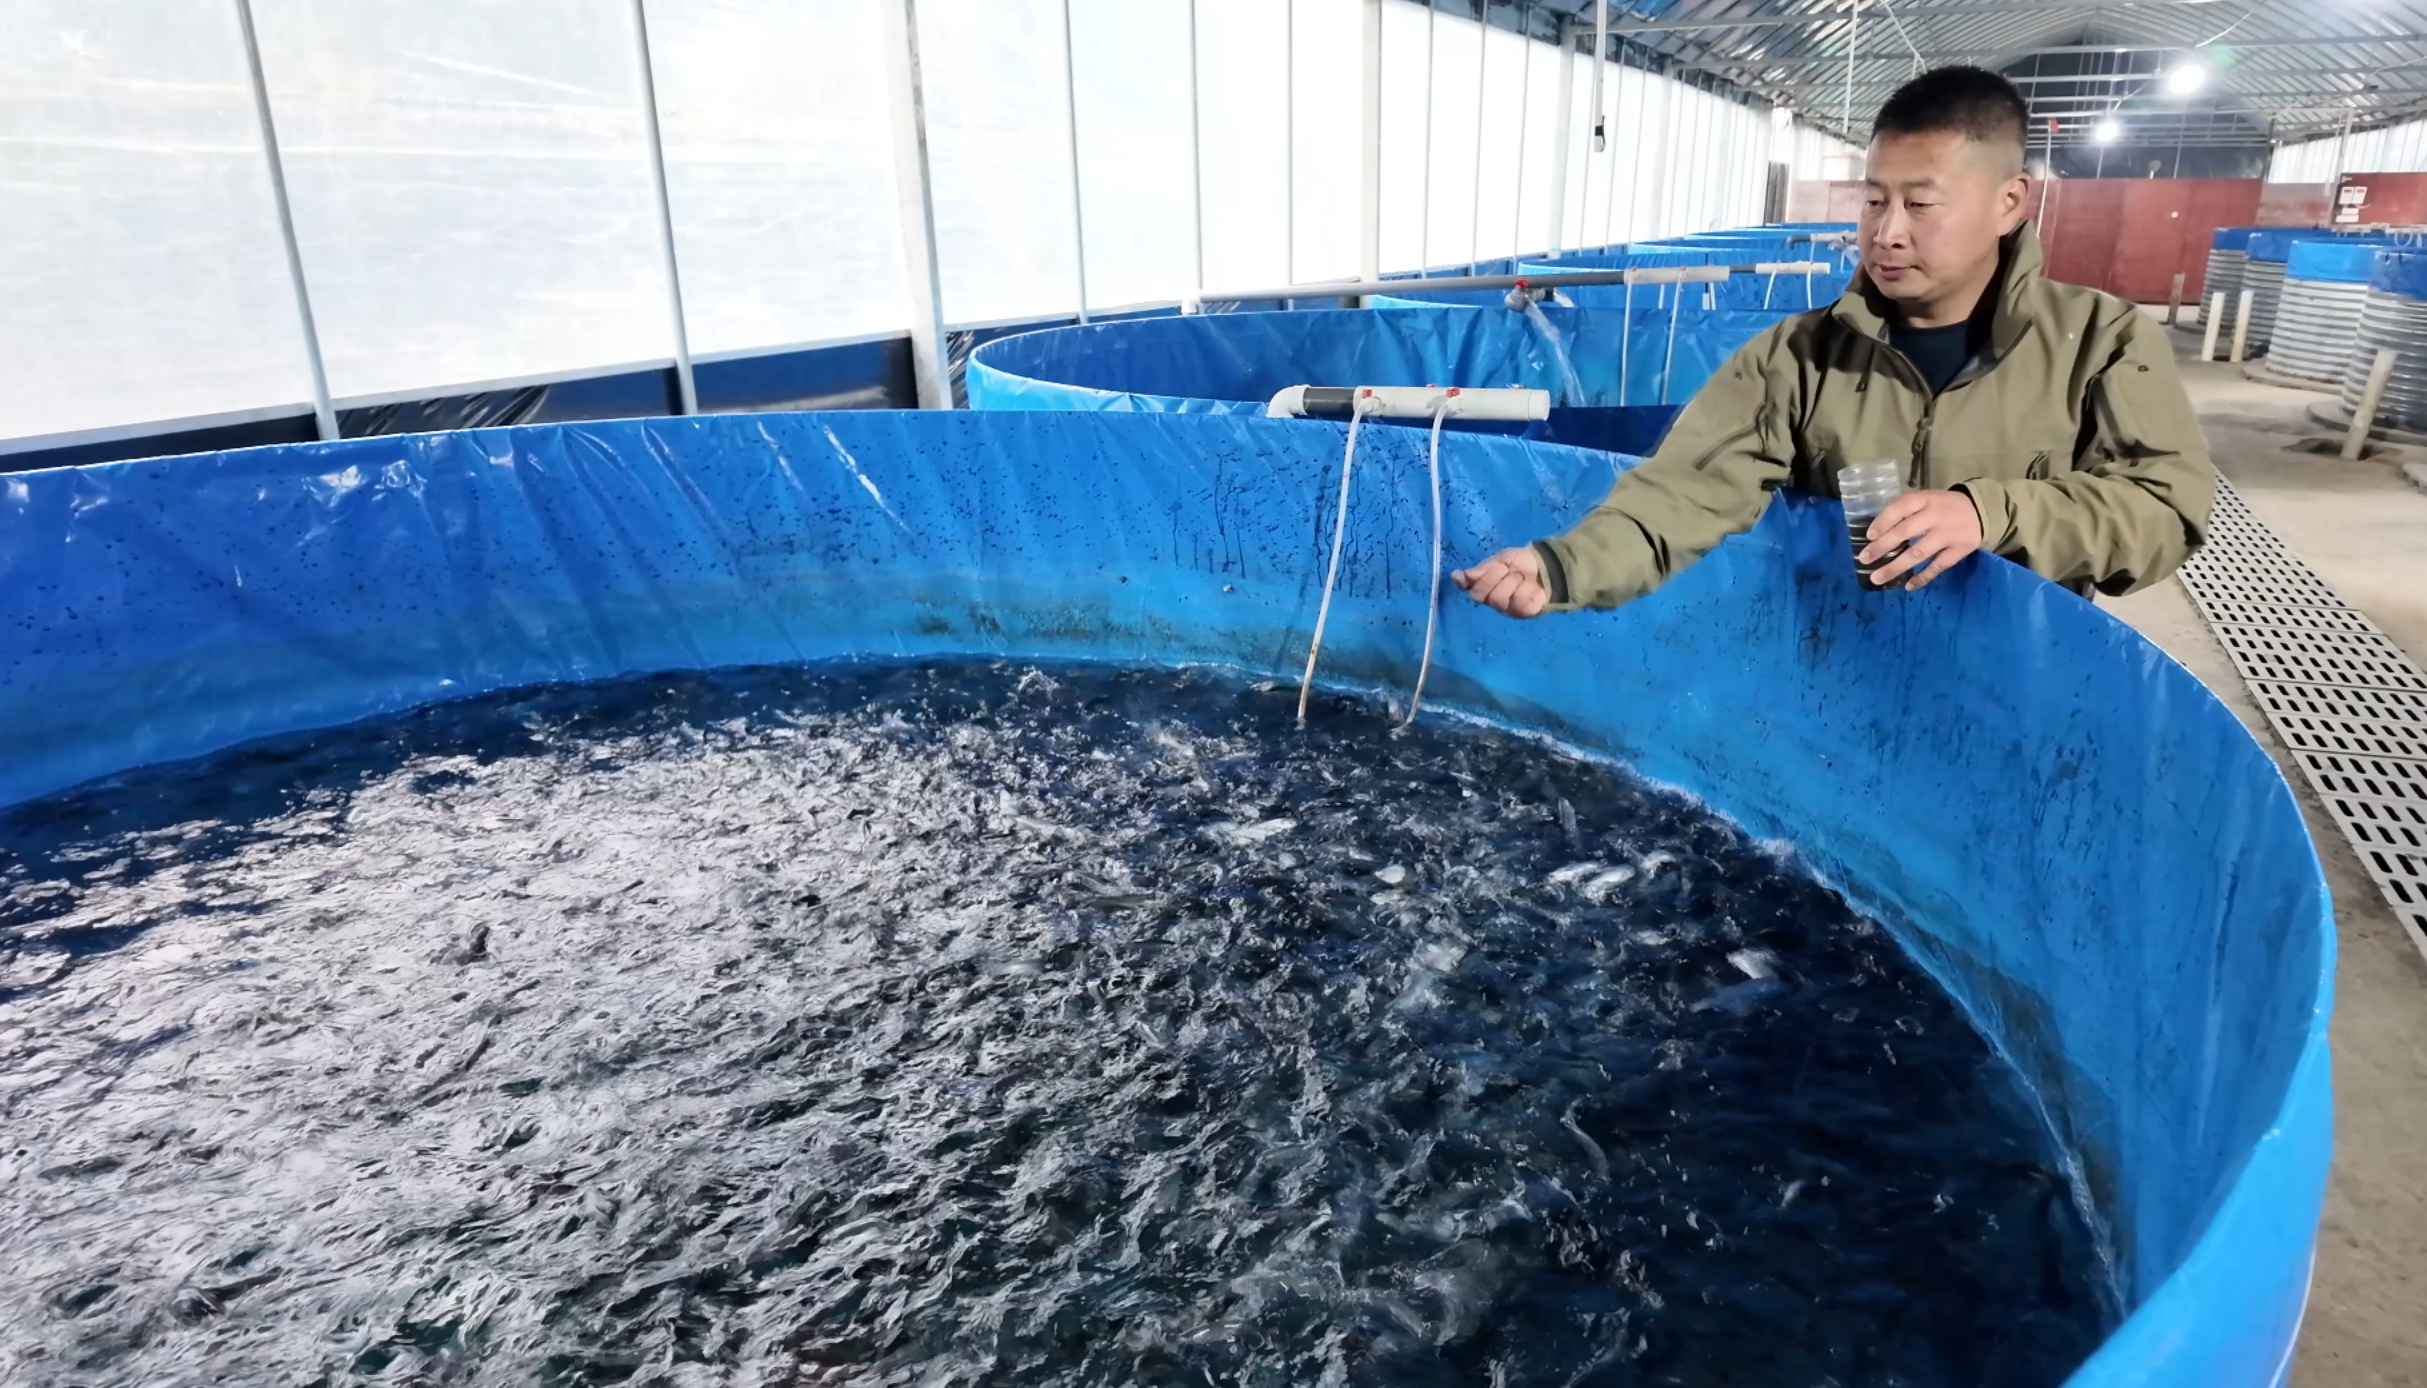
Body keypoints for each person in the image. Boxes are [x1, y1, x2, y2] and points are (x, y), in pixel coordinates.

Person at [1453, 66, 2215, 617]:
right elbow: (1686, 488)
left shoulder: (2100, 341)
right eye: (1874, 199)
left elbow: (2162, 514)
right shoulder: (1800, 356)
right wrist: (1563, 566)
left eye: (1920, 204)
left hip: (2021, 688)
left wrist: (1992, 513)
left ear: (2008, 202)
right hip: (1846, 676)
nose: (1886, 231)